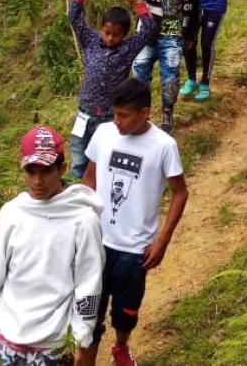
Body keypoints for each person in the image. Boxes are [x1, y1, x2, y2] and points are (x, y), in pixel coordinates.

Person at [0, 125, 104, 366]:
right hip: (4, 334)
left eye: (46, 171)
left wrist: (82, 337)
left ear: (62, 168)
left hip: (51, 344)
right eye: (31, 172)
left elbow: (88, 283)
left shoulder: (83, 220)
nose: (37, 181)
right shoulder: (12, 213)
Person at [79, 80, 188, 366]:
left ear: (145, 112)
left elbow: (180, 192)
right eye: (114, 114)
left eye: (124, 115)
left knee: (126, 310)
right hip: (97, 241)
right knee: (90, 311)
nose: (116, 121)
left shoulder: (164, 145)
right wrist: (81, 220)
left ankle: (120, 346)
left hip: (135, 248)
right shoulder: (103, 133)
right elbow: (90, 176)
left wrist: (162, 241)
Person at [67, 0, 155, 178]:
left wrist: (136, 2)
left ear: (124, 35)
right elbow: (75, 18)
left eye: (116, 35)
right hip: (84, 114)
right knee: (78, 161)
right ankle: (74, 199)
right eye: (107, 32)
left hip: (109, 118)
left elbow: (149, 30)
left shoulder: (127, 49)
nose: (110, 38)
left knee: (104, 163)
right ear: (101, 28)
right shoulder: (90, 41)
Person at [133, 0, 202, 134]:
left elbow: (195, 5)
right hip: (147, 32)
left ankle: (167, 111)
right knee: (139, 73)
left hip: (173, 34)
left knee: (170, 77)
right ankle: (140, 113)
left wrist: (191, 35)